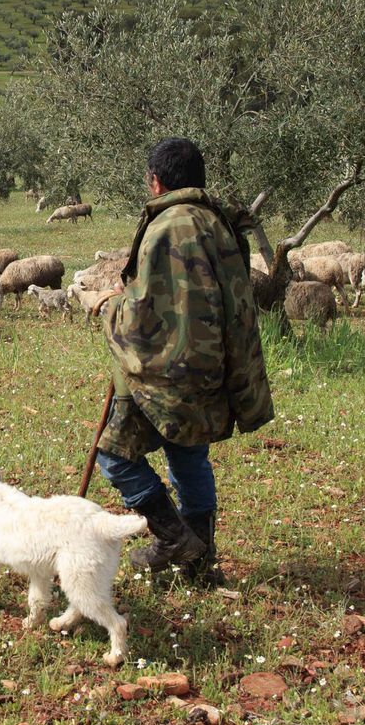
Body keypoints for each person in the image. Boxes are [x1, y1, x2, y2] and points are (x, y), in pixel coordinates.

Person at [96, 137, 274, 585]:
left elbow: (146, 313)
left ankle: (176, 540)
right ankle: (200, 557)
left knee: (114, 456)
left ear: (155, 181)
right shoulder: (217, 221)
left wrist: (112, 304)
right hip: (211, 365)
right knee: (189, 454)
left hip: (166, 372)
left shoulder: (168, 226)